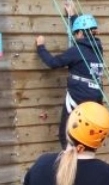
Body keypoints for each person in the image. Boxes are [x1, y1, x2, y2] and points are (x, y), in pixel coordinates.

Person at [35, 8, 104, 149]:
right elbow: (83, 31)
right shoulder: (98, 48)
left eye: (75, 33)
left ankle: (73, 165)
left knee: (66, 134)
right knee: (84, 134)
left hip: (78, 97)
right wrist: (73, 16)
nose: (74, 36)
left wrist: (41, 47)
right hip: (95, 97)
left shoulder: (76, 51)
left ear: (80, 33)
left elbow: (53, 63)